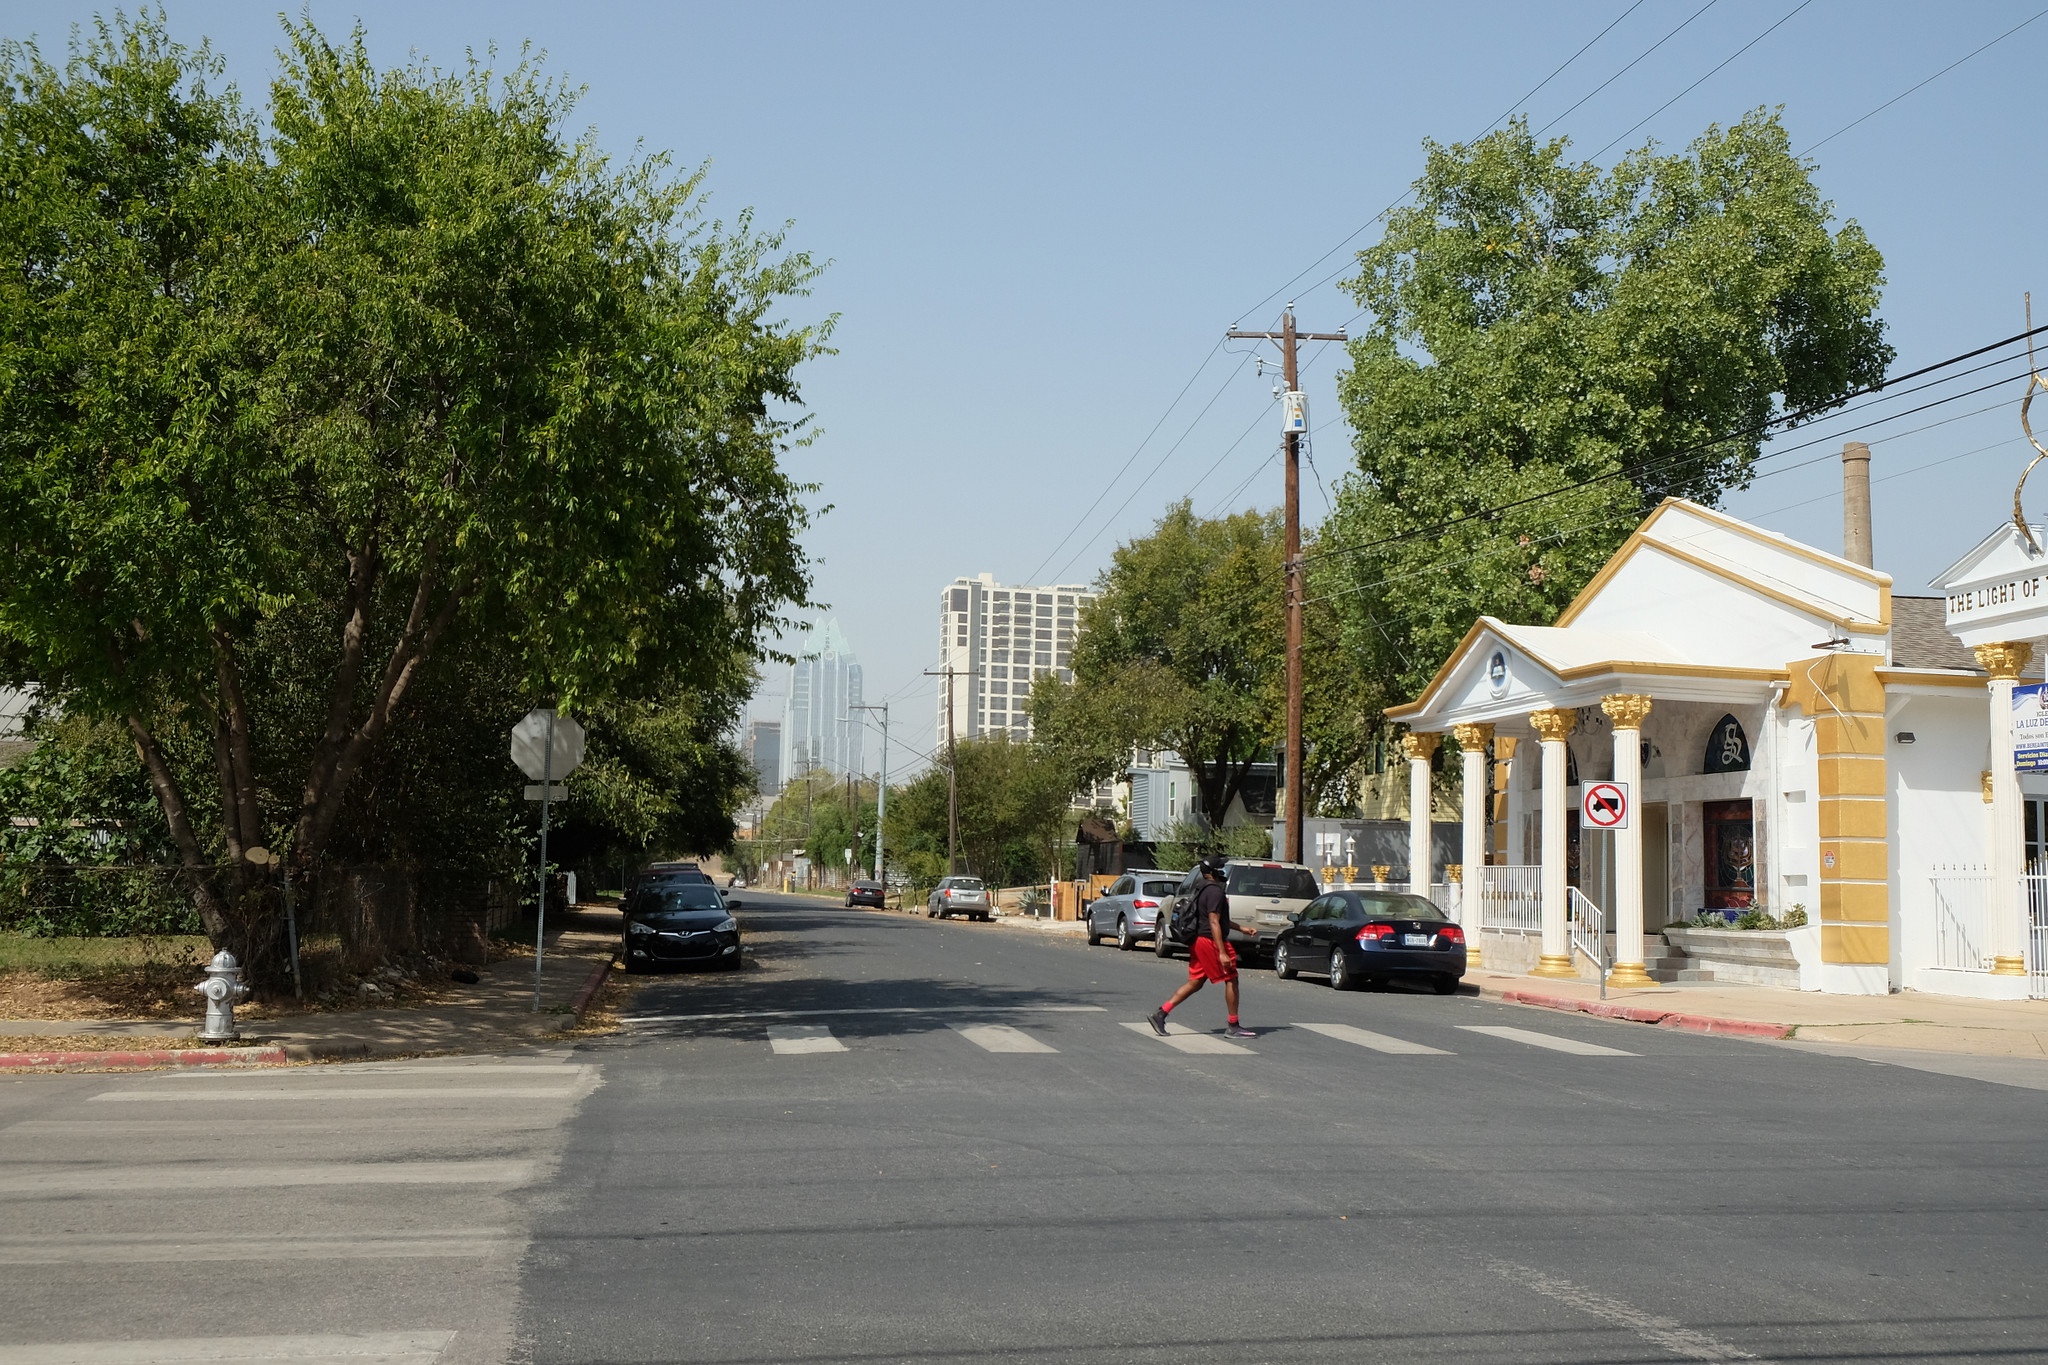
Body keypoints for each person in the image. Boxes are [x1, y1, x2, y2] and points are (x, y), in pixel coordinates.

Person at [1149, 856, 1255, 1039]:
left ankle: (1161, 1014)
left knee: (1196, 982)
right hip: (1210, 942)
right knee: (1232, 979)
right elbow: (1213, 921)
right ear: (1212, 872)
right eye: (1220, 868)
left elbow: (1215, 918)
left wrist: (1241, 928)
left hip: (1199, 940)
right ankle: (1233, 1025)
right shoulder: (1215, 891)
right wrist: (1222, 952)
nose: (1223, 871)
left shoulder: (1201, 887)